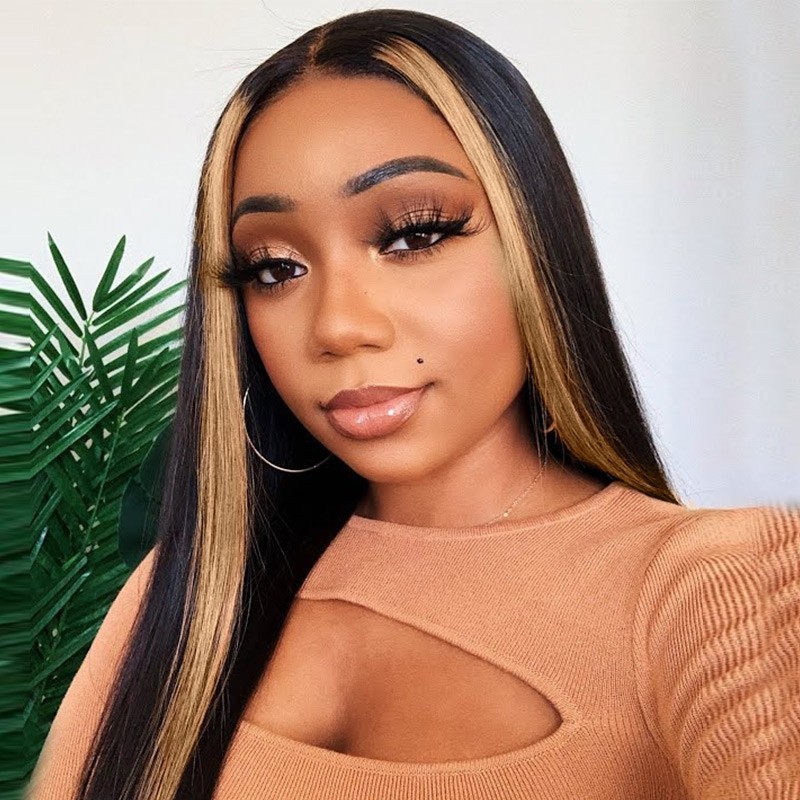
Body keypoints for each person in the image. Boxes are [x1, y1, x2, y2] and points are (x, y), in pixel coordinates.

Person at [27, 8, 799, 800]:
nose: (337, 327)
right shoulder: (185, 598)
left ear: (535, 241)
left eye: (414, 235)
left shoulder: (715, 585)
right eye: (275, 268)